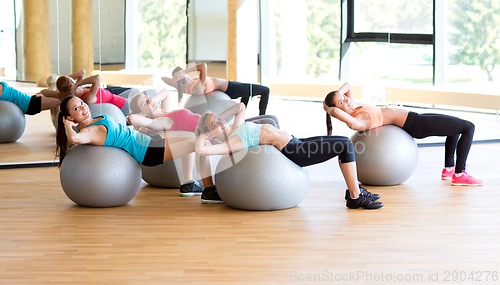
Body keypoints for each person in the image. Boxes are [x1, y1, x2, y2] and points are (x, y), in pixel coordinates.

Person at [194, 102, 383, 209]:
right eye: (214, 124)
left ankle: (354, 191)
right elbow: (201, 150)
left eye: (219, 119)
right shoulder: (231, 143)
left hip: (296, 141)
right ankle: (355, 196)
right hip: (294, 151)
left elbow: (240, 106)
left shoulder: (235, 129)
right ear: (210, 135)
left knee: (342, 142)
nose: (220, 122)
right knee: (345, 144)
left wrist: (217, 117)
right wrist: (202, 134)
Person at [127, 89, 280, 202]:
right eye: (144, 103)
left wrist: (149, 100)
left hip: (221, 126)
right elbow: (133, 118)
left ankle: (276, 162)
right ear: (143, 112)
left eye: (147, 97)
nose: (150, 100)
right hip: (215, 134)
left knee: (270, 118)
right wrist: (142, 117)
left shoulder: (166, 111)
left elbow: (166, 92)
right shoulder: (161, 121)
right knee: (270, 123)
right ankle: (209, 189)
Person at [323, 82, 482, 186]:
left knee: (455, 125)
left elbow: (348, 85)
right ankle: (460, 173)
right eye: (342, 102)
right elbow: (350, 122)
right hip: (416, 125)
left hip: (415, 117)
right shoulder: (358, 119)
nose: (347, 100)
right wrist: (330, 110)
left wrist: (336, 98)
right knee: (469, 127)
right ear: (338, 110)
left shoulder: (355, 108)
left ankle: (449, 169)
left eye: (344, 98)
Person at [55, 95, 206, 197]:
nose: (83, 107)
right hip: (148, 152)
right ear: (70, 117)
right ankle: (210, 190)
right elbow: (74, 138)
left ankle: (188, 183)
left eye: (81, 103)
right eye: (76, 109)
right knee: (197, 141)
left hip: (147, 141)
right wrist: (66, 125)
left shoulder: (94, 120)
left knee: (190, 135)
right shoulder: (91, 131)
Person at [161, 63, 271, 115]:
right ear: (182, 76)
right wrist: (184, 71)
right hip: (231, 89)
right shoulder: (197, 86)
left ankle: (240, 116)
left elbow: (164, 79)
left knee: (246, 95)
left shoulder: (184, 88)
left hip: (231, 86)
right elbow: (203, 66)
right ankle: (262, 116)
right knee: (265, 90)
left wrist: (175, 78)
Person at [41, 70, 131, 116]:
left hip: (119, 97)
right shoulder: (87, 97)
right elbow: (97, 78)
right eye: (71, 80)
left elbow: (82, 72)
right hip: (123, 106)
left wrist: (62, 81)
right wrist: (76, 84)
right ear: (72, 84)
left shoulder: (80, 90)